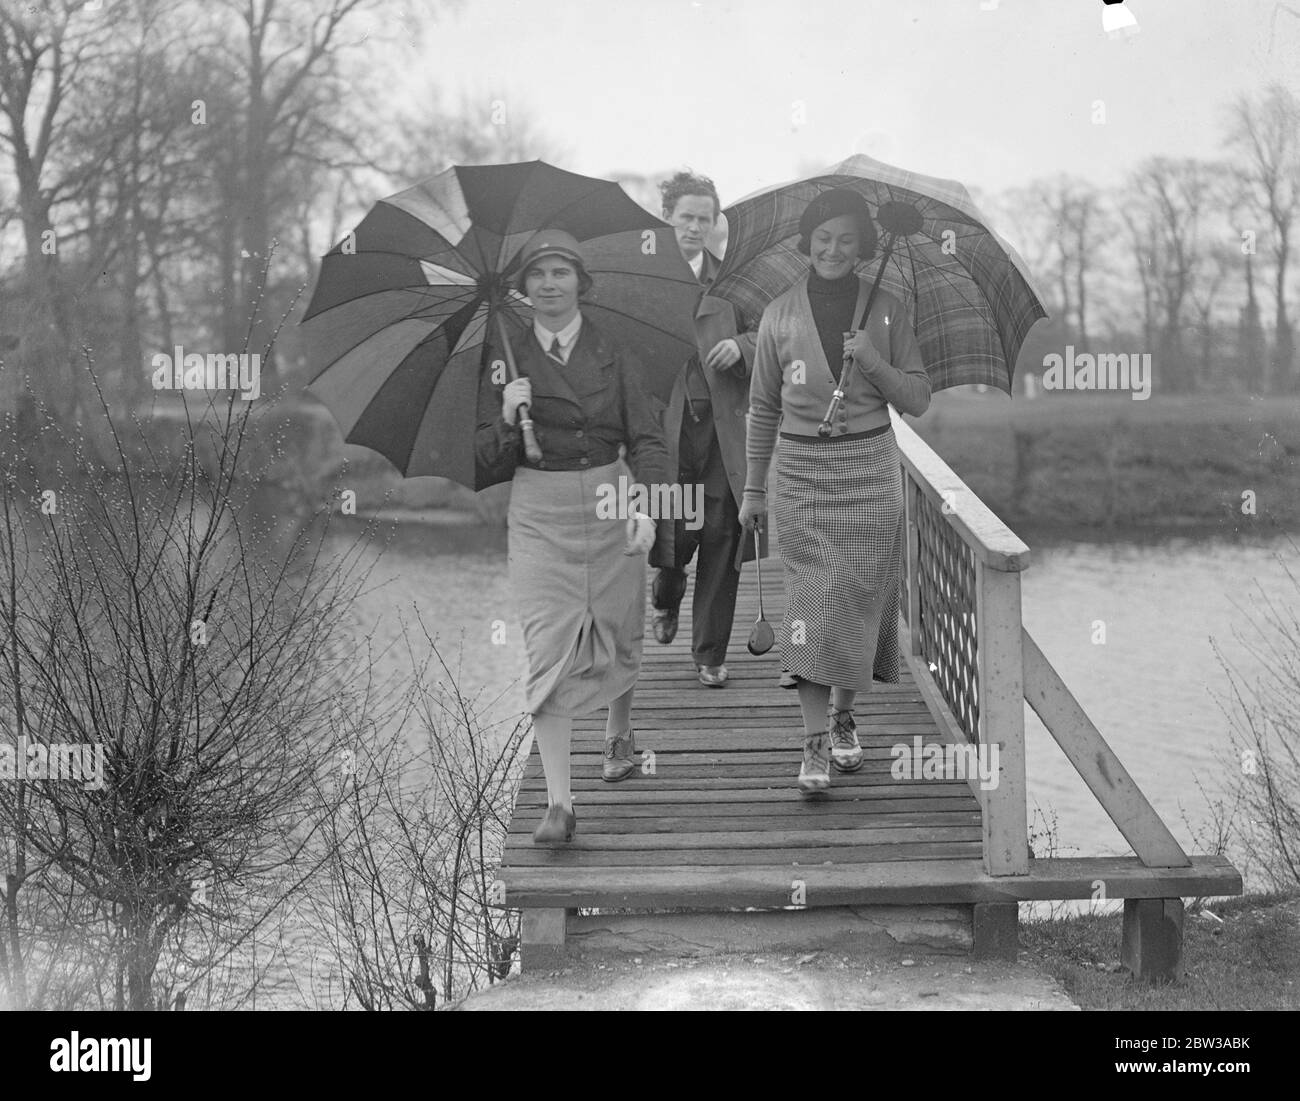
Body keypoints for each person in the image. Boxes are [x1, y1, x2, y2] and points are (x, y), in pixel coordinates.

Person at [476, 228, 670, 843]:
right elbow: (481, 464)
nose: (550, 285)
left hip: (610, 496)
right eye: (538, 275)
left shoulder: (616, 350)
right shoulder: (502, 357)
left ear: (580, 284)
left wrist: (648, 503)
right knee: (549, 648)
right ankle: (560, 803)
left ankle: (618, 731)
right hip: (539, 510)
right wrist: (507, 417)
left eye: (561, 273)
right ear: (523, 288)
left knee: (619, 628)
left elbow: (648, 438)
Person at [738, 189, 931, 793]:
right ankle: (815, 742)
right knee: (811, 604)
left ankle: (847, 716)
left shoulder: (890, 310)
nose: (834, 249)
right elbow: (762, 407)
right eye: (823, 237)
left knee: (861, 599)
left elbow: (918, 400)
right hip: (799, 476)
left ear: (864, 245)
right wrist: (753, 489)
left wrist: (872, 360)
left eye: (847, 238)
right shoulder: (778, 314)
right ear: (807, 240)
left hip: (871, 471)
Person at [648, 171, 762, 688]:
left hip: (723, 431)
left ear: (715, 223)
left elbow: (775, 334)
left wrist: (744, 347)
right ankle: (665, 595)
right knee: (676, 534)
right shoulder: (642, 280)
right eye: (685, 217)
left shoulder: (736, 280)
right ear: (666, 218)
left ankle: (710, 653)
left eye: (704, 218)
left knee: (722, 533)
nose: (694, 227)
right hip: (668, 431)